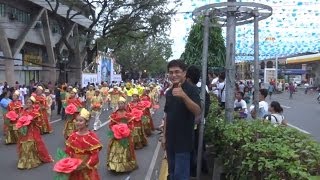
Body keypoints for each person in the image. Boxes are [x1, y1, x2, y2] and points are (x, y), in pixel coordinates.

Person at [164, 60, 201, 180]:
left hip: (183, 144)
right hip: (170, 142)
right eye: (171, 72)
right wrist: (164, 136)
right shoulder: (169, 92)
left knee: (181, 176)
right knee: (172, 174)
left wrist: (184, 96)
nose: (173, 75)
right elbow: (167, 116)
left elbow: (198, 112)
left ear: (184, 73)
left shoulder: (192, 90)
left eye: (177, 72)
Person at [186, 65, 210, 177]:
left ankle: (196, 170)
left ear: (188, 78)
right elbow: (207, 107)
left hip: (194, 125)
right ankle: (202, 168)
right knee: (199, 146)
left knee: (194, 147)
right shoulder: (204, 88)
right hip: (200, 123)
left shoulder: (192, 90)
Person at [65, 108, 102, 179]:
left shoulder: (92, 137)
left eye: (81, 121)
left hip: (87, 168)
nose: (77, 122)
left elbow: (95, 155)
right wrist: (69, 163)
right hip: (74, 168)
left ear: (86, 122)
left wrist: (85, 165)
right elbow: (68, 151)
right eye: (76, 120)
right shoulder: (73, 136)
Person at [17, 97, 53, 169]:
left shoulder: (35, 112)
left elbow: (39, 122)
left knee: (33, 144)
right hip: (25, 131)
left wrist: (32, 121)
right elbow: (20, 120)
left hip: (33, 130)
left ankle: (33, 159)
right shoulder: (23, 111)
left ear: (32, 104)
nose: (28, 104)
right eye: (27, 103)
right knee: (24, 144)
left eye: (29, 103)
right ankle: (25, 160)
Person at [106, 97, 138, 172]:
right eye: (119, 104)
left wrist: (127, 130)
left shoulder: (128, 114)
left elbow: (131, 124)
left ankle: (125, 165)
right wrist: (115, 129)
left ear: (125, 104)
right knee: (115, 149)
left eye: (122, 104)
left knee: (126, 149)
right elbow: (111, 125)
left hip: (125, 135)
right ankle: (114, 165)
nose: (120, 105)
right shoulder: (114, 114)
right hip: (116, 135)